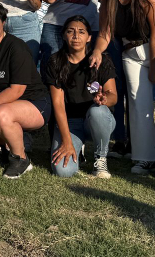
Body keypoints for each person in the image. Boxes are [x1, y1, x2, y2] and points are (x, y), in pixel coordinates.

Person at [92, 0, 155, 178]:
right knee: (138, 104)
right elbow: (105, 33)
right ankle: (145, 157)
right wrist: (98, 50)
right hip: (132, 52)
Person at [93, 0, 155, 156]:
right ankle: (119, 139)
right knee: (113, 84)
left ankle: (136, 139)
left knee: (135, 89)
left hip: (134, 30)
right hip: (109, 26)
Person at [0, 0, 50, 179]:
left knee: (1, 114)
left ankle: (20, 159)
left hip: (35, 103)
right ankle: (12, 145)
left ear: (3, 23)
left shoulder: (16, 47)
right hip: (0, 106)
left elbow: (17, 91)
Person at [45, 15, 116, 179]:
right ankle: (78, 149)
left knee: (98, 111)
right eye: (71, 31)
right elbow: (58, 105)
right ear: (64, 35)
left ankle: (100, 157)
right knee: (63, 171)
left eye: (81, 32)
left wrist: (105, 99)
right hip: (70, 123)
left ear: (89, 37)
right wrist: (67, 140)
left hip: (96, 120)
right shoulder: (55, 62)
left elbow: (113, 96)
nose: (76, 36)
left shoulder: (102, 60)